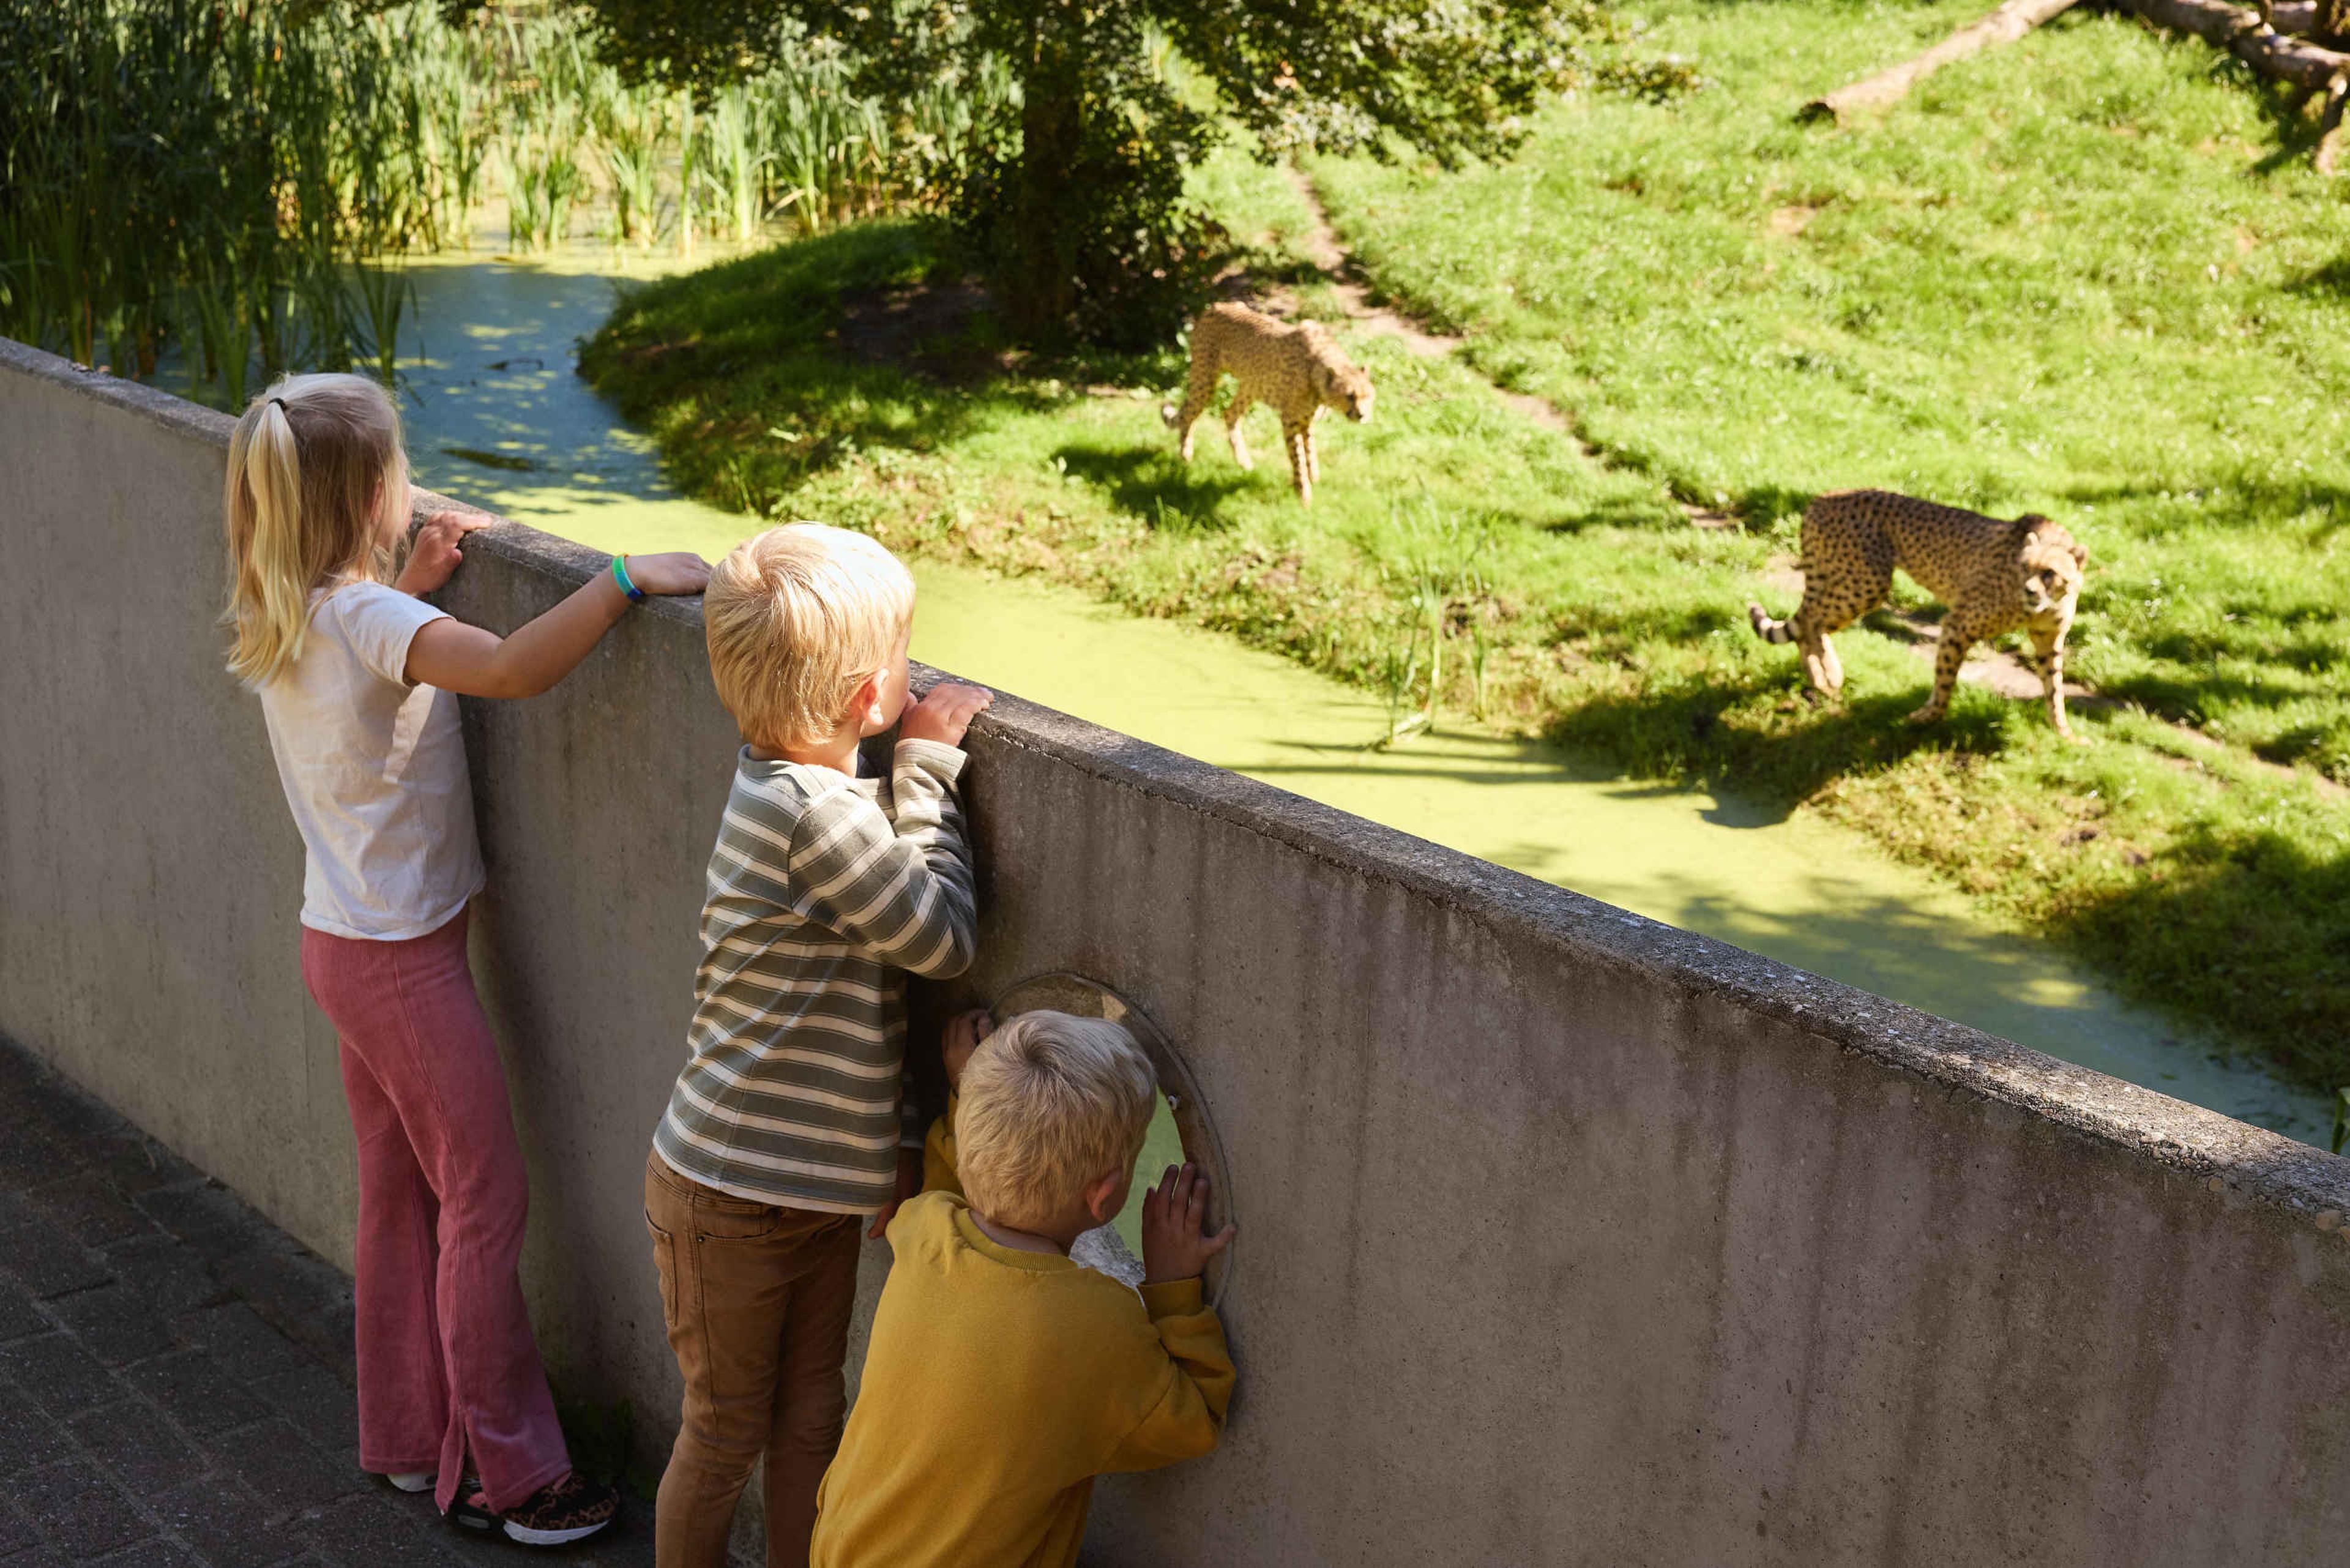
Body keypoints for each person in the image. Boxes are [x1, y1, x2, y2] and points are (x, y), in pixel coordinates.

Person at [223, 372, 710, 1546]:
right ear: (376, 492)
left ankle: (400, 1438)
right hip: (404, 964)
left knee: (398, 1194)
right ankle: (510, 1475)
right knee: (483, 1202)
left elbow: (374, 654)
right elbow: (510, 668)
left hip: (341, 942)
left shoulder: (296, 604)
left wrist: (407, 587)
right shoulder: (374, 620)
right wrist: (625, 579)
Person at [646, 523, 989, 1568]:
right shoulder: (811, 814)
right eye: (903, 651)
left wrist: (885, 1143)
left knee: (809, 1420)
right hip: (731, 1192)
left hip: (809, 1189)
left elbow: (861, 1004)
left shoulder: (804, 788)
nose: (914, 669)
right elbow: (938, 939)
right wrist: (929, 765)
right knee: (725, 1429)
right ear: (862, 699)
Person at [810, 1009, 1237, 1568]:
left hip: (839, 1551)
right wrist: (1173, 1282)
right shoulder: (1096, 1326)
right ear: (1106, 1197)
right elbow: (1195, 1417)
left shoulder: (924, 1230)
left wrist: (969, 1092)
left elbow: (952, 1189)